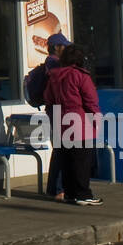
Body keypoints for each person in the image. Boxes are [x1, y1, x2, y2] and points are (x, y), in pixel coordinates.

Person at [43, 44, 104, 206]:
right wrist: (97, 121)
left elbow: (48, 101)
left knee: (67, 161)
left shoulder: (54, 77)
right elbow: (91, 102)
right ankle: (83, 194)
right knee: (82, 162)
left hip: (61, 124)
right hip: (80, 124)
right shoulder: (81, 76)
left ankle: (69, 193)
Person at [26, 32, 71, 200]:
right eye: (64, 46)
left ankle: (54, 189)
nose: (66, 49)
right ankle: (59, 189)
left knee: (59, 149)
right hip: (58, 110)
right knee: (62, 149)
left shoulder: (51, 64)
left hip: (54, 110)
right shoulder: (54, 64)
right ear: (57, 47)